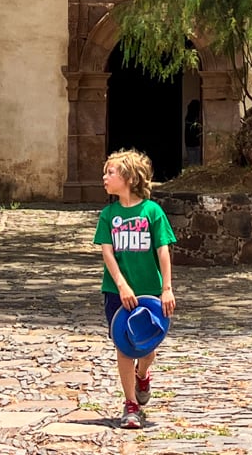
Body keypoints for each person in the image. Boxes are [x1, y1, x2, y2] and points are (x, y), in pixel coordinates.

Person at [95, 148, 177, 429]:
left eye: (110, 172)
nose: (104, 177)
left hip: (150, 291)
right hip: (117, 292)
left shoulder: (152, 211)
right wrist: (121, 286)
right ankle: (131, 404)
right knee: (124, 343)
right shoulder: (108, 215)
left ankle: (144, 374)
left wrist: (166, 288)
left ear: (128, 177)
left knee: (148, 345)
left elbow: (163, 250)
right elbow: (108, 253)